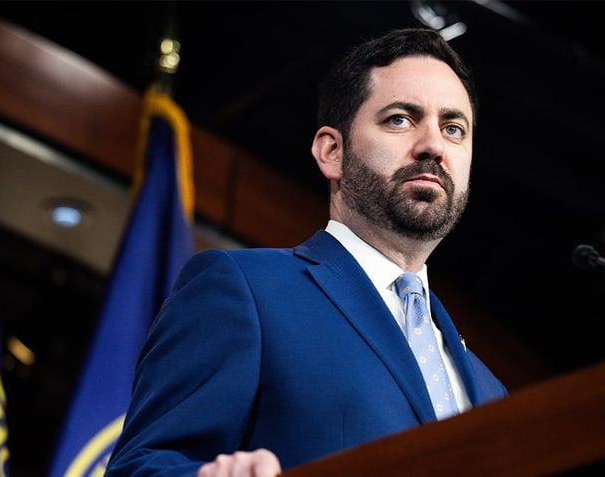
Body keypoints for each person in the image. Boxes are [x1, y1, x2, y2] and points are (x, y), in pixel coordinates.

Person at [104, 27, 508, 477]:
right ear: (331, 151)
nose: (433, 145)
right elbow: (141, 467)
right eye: (400, 119)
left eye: (454, 128)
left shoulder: (492, 391)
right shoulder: (245, 290)